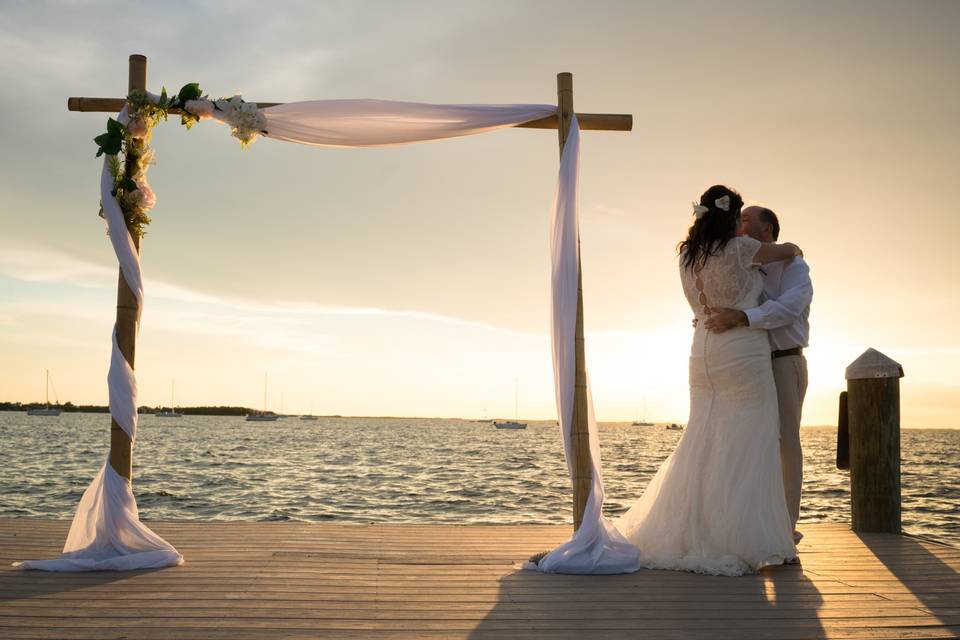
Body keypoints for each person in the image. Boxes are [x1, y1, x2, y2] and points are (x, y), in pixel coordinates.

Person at [614, 185, 799, 575]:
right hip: (741, 350)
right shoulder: (742, 250)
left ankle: (694, 531)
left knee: (704, 436)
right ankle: (749, 538)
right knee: (752, 440)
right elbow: (791, 250)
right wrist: (786, 246)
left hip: (701, 348)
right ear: (731, 217)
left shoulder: (686, 254)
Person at [704, 206, 812, 543]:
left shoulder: (794, 266)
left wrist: (742, 317)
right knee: (749, 441)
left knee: (784, 441)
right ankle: (749, 519)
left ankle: (785, 525)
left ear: (767, 230)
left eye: (747, 219)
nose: (739, 223)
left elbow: (789, 308)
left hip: (783, 360)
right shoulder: (741, 263)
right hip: (749, 364)